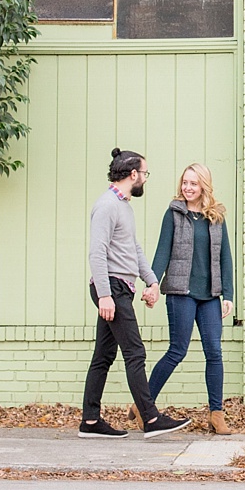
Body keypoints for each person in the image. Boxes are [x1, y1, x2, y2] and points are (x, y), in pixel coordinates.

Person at [78, 148, 189, 440]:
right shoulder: (106, 206)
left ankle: (90, 422)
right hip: (111, 289)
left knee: (103, 355)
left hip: (119, 287)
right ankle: (151, 418)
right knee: (135, 352)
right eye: (145, 174)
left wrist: (152, 281)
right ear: (133, 174)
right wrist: (104, 295)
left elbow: (133, 250)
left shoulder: (123, 205)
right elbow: (96, 252)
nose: (145, 179)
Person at [144, 163, 237, 435]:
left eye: (193, 183)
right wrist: (152, 284)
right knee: (178, 351)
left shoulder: (216, 217)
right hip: (180, 293)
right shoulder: (174, 214)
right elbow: (162, 252)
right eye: (185, 182)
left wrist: (228, 294)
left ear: (204, 186)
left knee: (214, 353)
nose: (188, 188)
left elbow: (225, 257)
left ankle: (216, 414)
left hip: (209, 296)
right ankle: (144, 404)